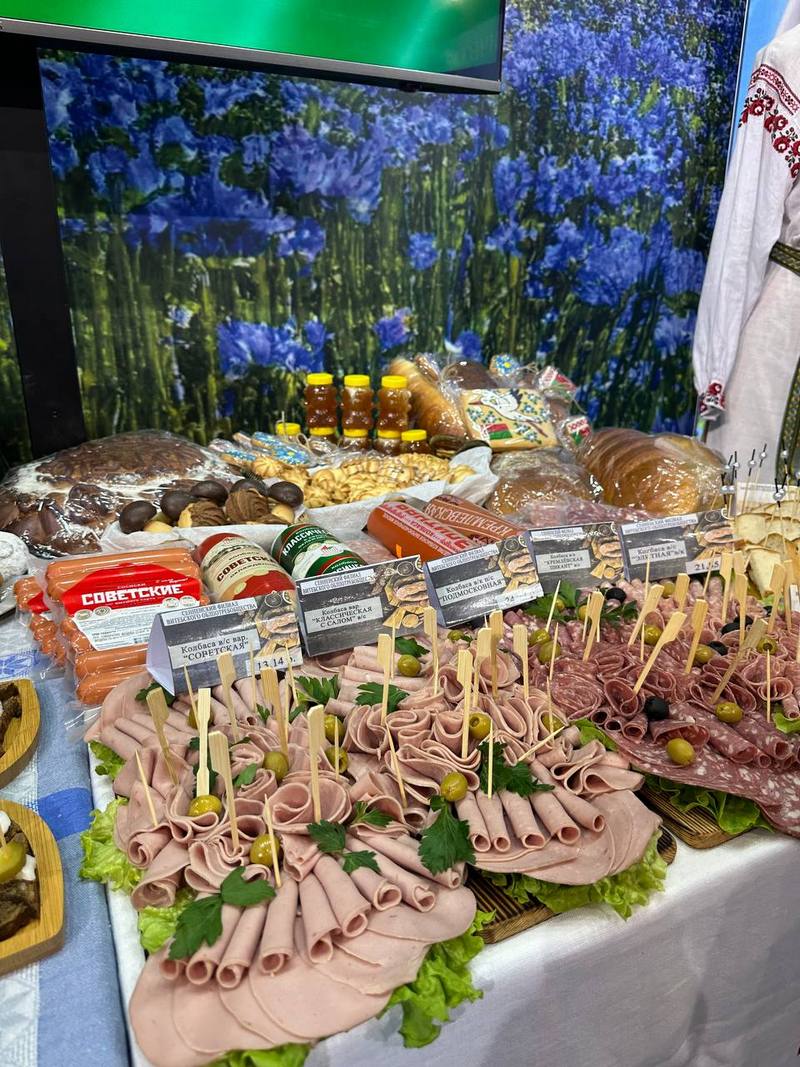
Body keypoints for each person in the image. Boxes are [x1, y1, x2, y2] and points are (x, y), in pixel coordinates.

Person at [693, 22, 800, 474]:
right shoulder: (790, 61)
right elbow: (745, 221)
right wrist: (715, 365)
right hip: (785, 340)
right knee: (755, 504)